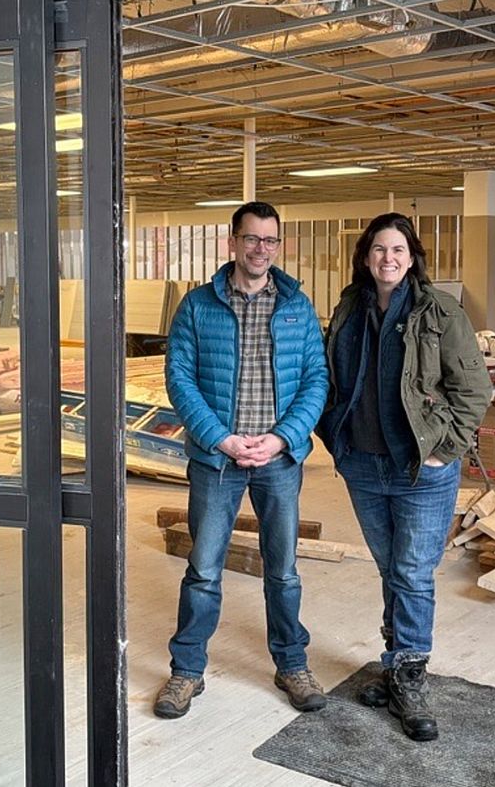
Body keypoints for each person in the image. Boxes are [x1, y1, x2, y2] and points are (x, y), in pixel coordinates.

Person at [318, 212, 492, 741]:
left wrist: (444, 450)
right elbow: (332, 377)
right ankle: (396, 663)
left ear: (412, 257)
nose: (387, 259)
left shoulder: (439, 310)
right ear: (365, 256)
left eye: (398, 250)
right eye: (378, 250)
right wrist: (334, 437)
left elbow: (474, 389)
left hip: (420, 467)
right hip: (364, 465)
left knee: (413, 573)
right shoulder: (351, 307)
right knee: (391, 569)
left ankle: (411, 674)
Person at [154, 201, 330, 719]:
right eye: (251, 239)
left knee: (284, 571)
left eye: (270, 241)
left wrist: (281, 439)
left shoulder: (297, 306)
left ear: (280, 246)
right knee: (205, 569)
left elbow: (316, 381)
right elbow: (179, 378)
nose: (261, 249)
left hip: (279, 459)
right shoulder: (197, 305)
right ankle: (186, 672)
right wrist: (221, 439)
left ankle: (292, 663)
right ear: (231, 243)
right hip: (218, 460)